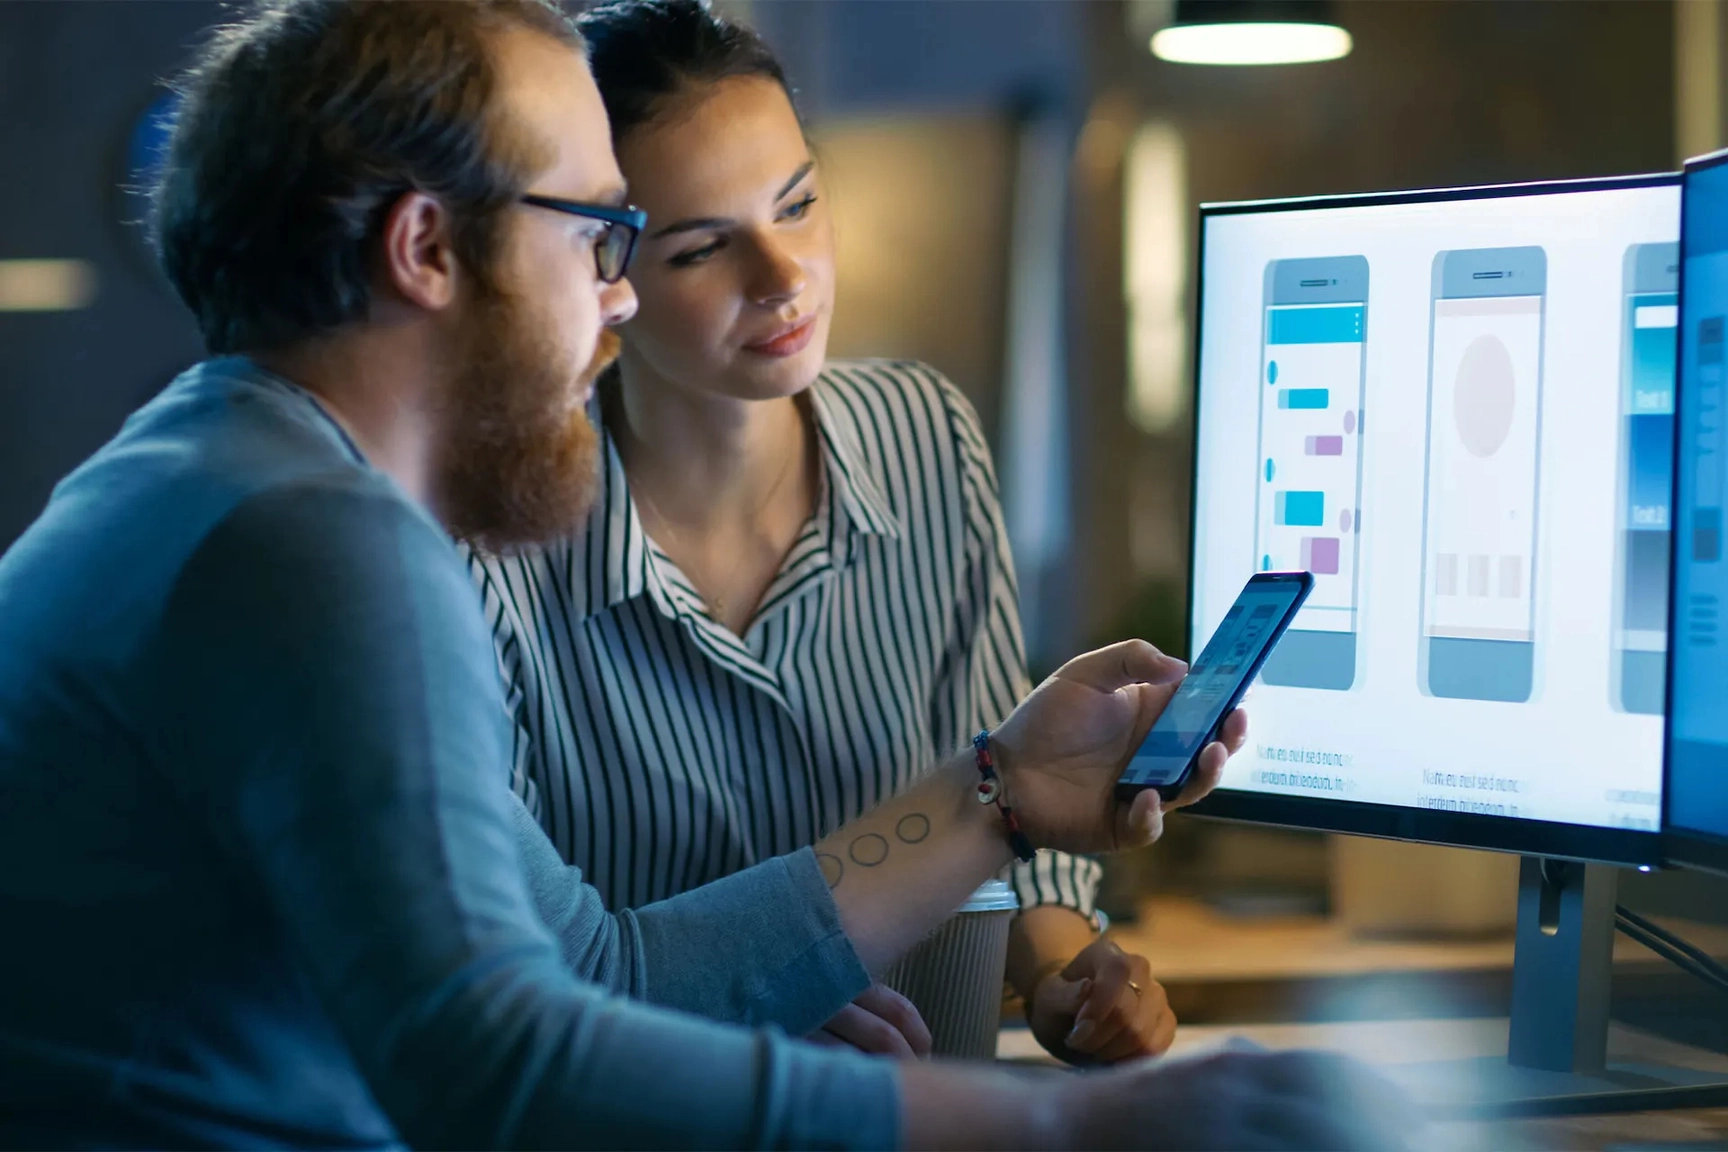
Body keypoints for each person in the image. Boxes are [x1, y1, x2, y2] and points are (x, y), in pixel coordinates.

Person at [0, 1, 1411, 1147]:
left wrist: (1004, 789)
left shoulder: (211, 478)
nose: (616, 296)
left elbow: (595, 976)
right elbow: (510, 1075)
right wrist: (1072, 1132)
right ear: (426, 248)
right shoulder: (314, 542)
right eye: (600, 234)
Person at [469, 0, 1166, 1063]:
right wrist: (735, 1006)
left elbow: (1007, 803)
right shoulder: (495, 542)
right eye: (705, 249)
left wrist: (1067, 976)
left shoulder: (926, 437)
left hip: (928, 1108)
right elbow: (508, 972)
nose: (783, 277)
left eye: (796, 204)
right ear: (601, 272)